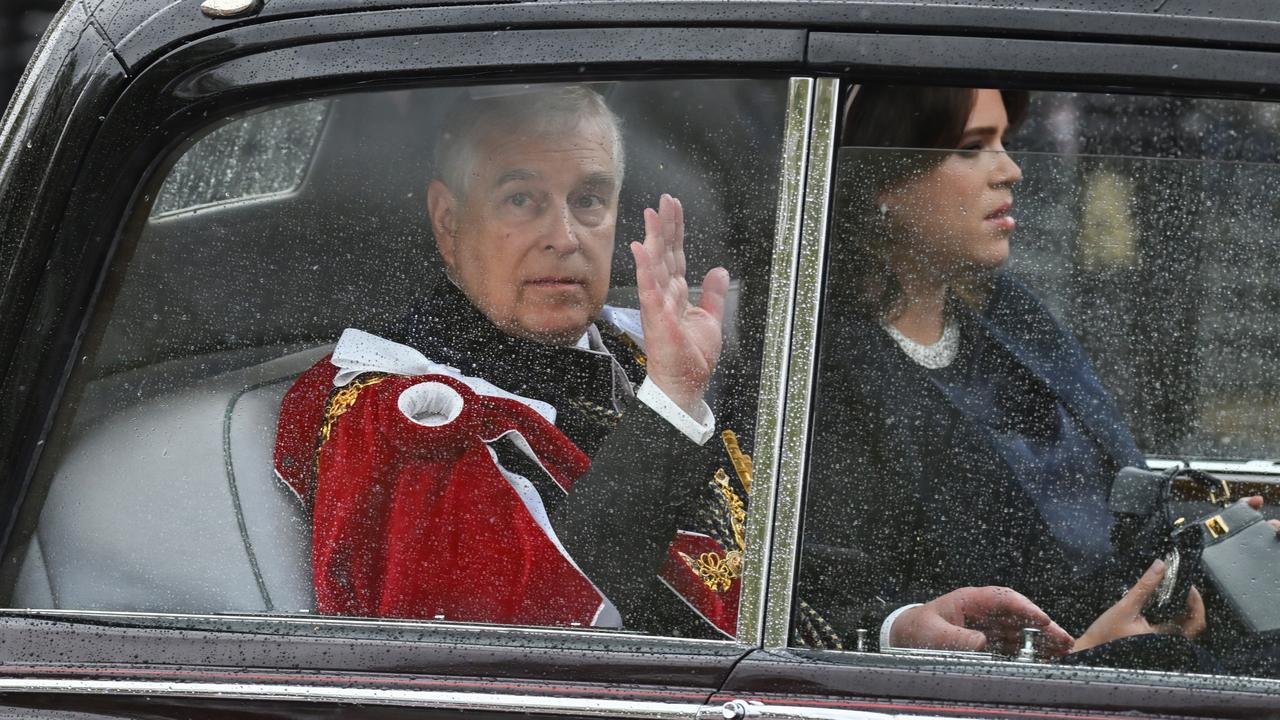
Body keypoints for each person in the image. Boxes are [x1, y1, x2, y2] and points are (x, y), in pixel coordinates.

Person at [797, 85, 1280, 670]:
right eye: (974, 147)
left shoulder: (1011, 315)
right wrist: (1090, 657)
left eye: (1005, 142)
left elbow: (1117, 493)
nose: (1012, 171)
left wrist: (1195, 543)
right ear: (886, 181)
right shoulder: (819, 370)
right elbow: (837, 608)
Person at [273, 85, 748, 636]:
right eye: (521, 199)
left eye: (588, 200)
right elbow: (529, 646)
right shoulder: (406, 417)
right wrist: (671, 402)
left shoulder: (633, 345)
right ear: (449, 222)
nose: (564, 238)